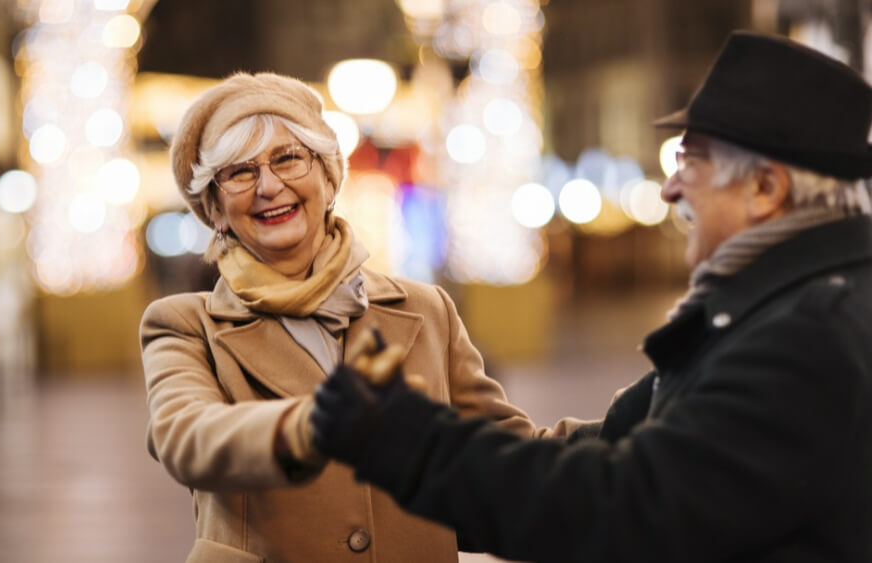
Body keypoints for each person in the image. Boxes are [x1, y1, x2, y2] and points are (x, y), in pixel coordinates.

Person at [309, 30, 872, 563]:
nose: (672, 187)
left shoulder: (807, 335)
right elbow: (617, 449)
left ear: (766, 188)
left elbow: (621, 506)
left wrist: (408, 439)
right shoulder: (782, 307)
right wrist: (415, 444)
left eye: (690, 161)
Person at [139, 71, 581, 563]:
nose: (269, 185)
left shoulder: (425, 309)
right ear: (215, 209)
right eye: (239, 173)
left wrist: (639, 416)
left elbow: (505, 458)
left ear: (328, 179)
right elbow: (186, 438)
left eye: (288, 158)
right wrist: (312, 424)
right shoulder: (183, 324)